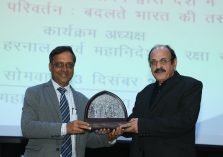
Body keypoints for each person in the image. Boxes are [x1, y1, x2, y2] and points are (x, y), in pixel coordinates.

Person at [21, 46, 120, 157]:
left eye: (69, 65)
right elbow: (27, 127)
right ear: (50, 66)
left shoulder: (83, 101)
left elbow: (87, 140)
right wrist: (66, 128)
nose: (65, 69)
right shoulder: (34, 93)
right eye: (59, 64)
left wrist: (109, 138)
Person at [120, 44, 203, 157]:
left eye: (163, 61)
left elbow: (185, 121)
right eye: (153, 62)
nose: (158, 66)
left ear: (174, 63)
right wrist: (115, 128)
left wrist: (142, 125)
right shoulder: (144, 93)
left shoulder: (190, 86)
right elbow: (134, 122)